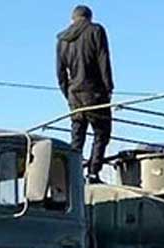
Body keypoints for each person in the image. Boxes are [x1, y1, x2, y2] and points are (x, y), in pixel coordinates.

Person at [56, 5, 114, 182]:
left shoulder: (62, 39)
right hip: (95, 92)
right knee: (102, 133)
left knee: (77, 136)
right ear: (89, 17)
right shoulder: (96, 31)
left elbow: (60, 72)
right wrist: (108, 87)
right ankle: (93, 172)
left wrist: (68, 93)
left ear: (72, 19)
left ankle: (74, 175)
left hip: (74, 94)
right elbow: (103, 59)